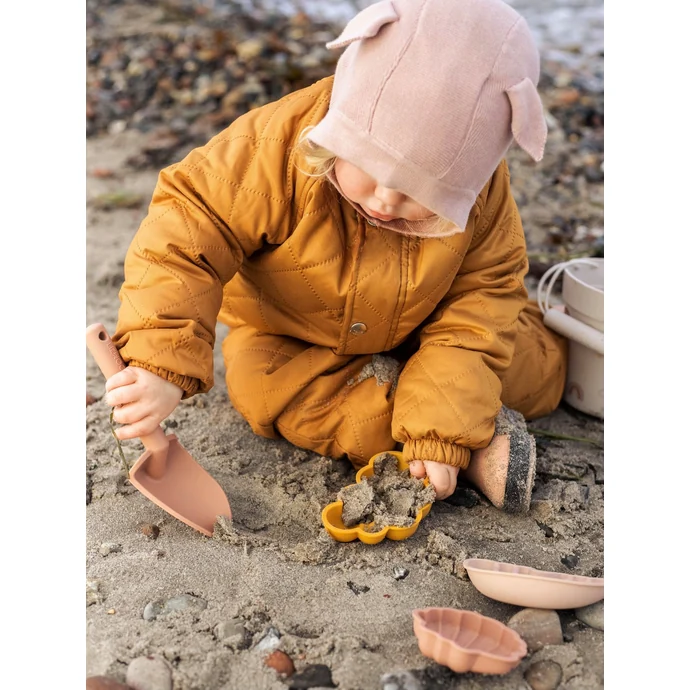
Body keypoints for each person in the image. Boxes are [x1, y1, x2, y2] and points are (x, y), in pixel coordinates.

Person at [103, 0, 567, 514]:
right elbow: (185, 232)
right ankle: (465, 442)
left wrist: (442, 417)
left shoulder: (483, 199)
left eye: (421, 193)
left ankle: (447, 418)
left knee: (535, 370)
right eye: (368, 165)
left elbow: (483, 300)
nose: (386, 199)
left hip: (428, 322)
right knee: (264, 388)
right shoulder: (274, 149)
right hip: (297, 330)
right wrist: (158, 362)